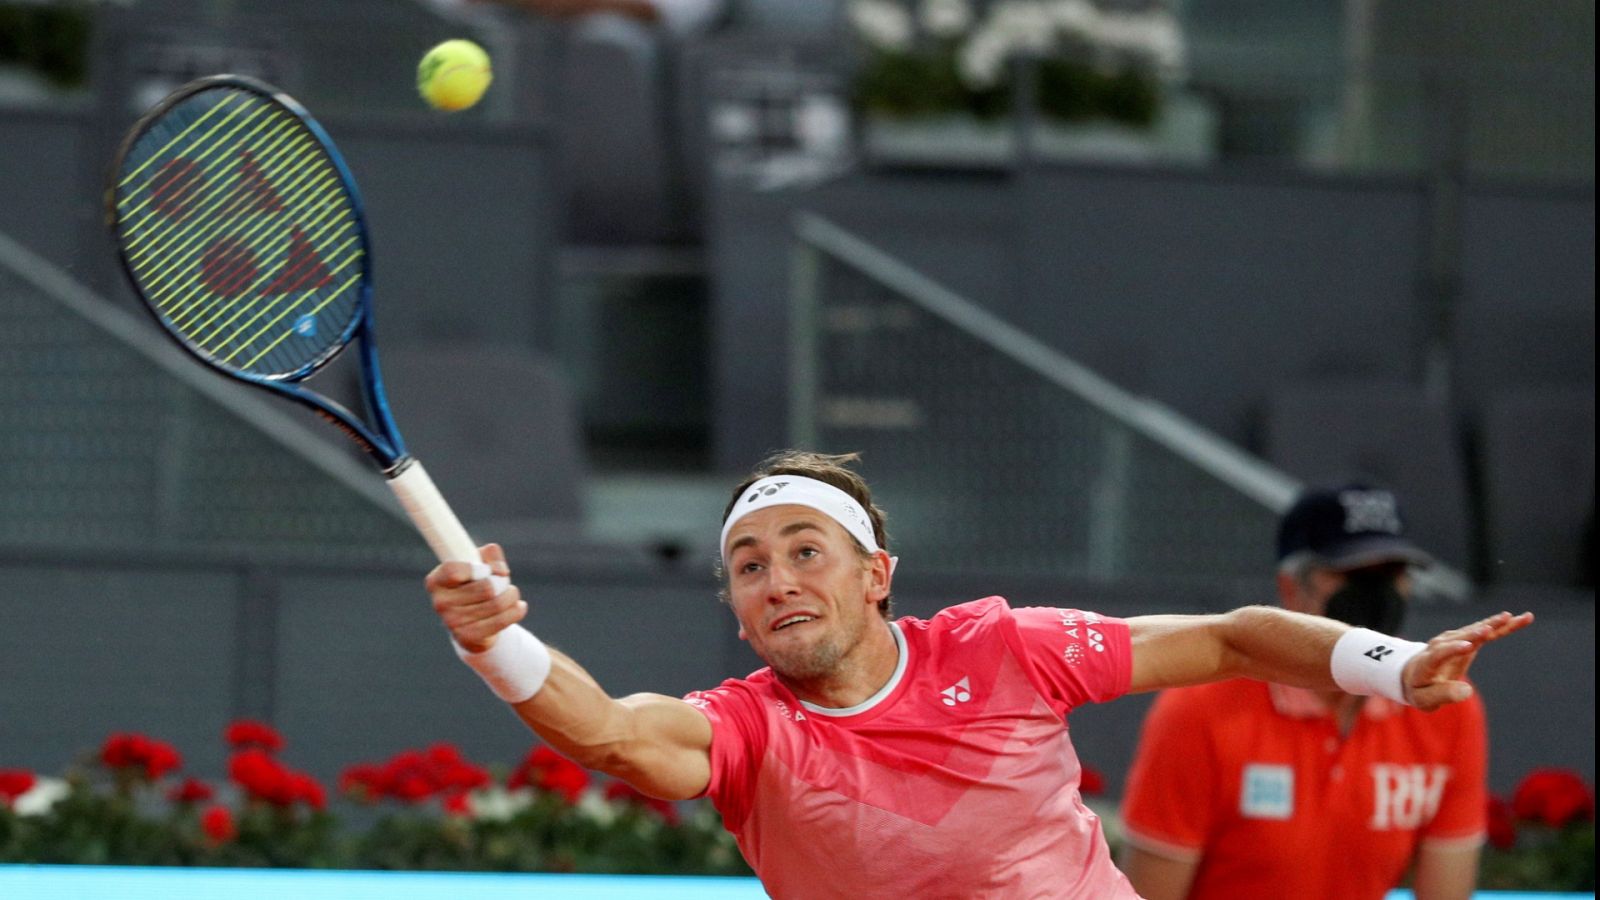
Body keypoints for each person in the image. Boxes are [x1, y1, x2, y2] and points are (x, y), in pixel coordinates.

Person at [426, 452, 1531, 898]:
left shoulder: (1006, 647)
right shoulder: (745, 734)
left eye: (807, 550)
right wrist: (493, 639)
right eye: (749, 567)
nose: (775, 579)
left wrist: (1392, 664)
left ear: (876, 577)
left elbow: (1238, 638)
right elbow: (612, 732)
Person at [1120, 484, 1492, 900]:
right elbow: (1150, 893)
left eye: (1392, 574)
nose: (1375, 592)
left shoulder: (1444, 702)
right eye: (1351, 573)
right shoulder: (1200, 707)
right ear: (1290, 587)